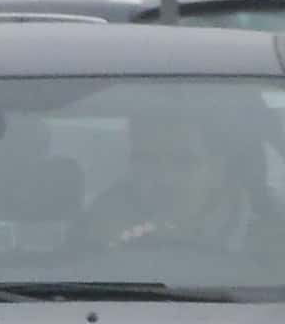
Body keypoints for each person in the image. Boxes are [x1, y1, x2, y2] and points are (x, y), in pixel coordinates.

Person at [81, 101, 275, 268]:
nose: (165, 179)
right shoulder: (91, 233)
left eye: (184, 162)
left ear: (217, 170)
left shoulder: (269, 244)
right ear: (131, 166)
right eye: (147, 161)